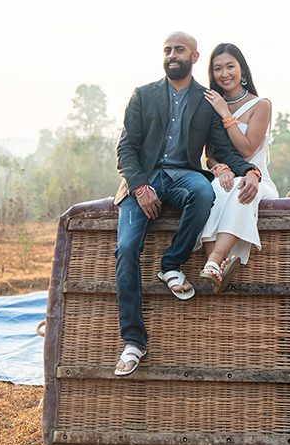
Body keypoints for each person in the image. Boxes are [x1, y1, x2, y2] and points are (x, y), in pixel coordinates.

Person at [112, 31, 262, 376]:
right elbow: (126, 149)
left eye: (179, 50)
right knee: (126, 248)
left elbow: (221, 151)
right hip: (143, 180)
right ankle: (133, 341)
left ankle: (171, 263)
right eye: (167, 50)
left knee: (204, 192)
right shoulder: (143, 95)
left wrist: (250, 171)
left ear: (194, 57)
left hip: (184, 176)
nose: (172, 55)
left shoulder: (205, 100)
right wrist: (139, 187)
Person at [195, 43, 279, 289]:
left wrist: (225, 113)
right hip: (226, 176)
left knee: (241, 186)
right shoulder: (210, 103)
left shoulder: (260, 105)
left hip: (257, 179)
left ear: (242, 69)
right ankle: (216, 267)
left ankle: (214, 260)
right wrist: (220, 169)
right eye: (218, 68)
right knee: (213, 190)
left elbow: (247, 150)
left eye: (230, 66)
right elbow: (210, 155)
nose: (225, 73)